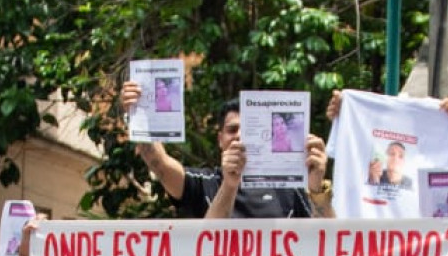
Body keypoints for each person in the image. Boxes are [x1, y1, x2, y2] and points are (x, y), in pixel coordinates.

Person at [117, 82, 330, 218]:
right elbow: (159, 164)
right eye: (232, 130)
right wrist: (137, 113)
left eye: (247, 129)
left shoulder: (289, 190)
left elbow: (329, 243)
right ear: (220, 140)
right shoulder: (203, 184)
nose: (239, 136)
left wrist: (316, 187)